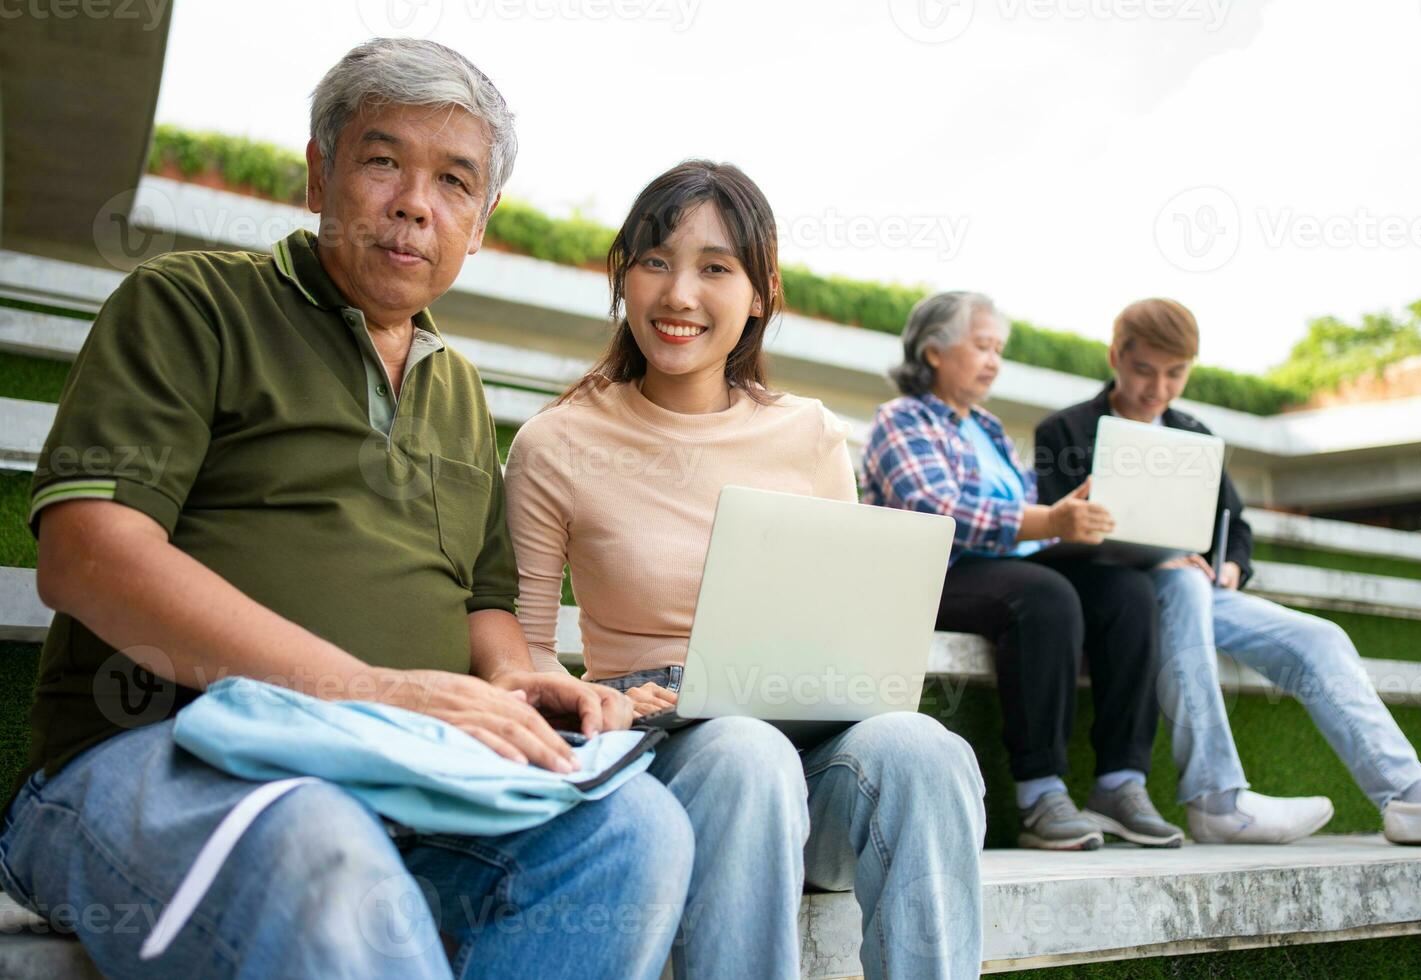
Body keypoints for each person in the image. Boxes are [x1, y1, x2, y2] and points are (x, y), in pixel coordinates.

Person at [0, 39, 693, 979]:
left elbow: (485, 604)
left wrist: (511, 679)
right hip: (159, 755)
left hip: (401, 772)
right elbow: (87, 555)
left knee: (632, 829)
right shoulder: (193, 304)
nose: (416, 202)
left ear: (481, 223)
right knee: (314, 836)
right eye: (382, 161)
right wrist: (374, 690)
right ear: (320, 172)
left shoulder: (461, 393)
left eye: (455, 181)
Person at [504, 161, 986, 980]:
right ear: (623, 278)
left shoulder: (810, 434)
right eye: (654, 260)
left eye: (715, 268)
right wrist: (601, 698)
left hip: (812, 748)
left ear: (761, 293)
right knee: (742, 749)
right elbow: (524, 652)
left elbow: (843, 630)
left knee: (923, 750)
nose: (679, 293)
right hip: (665, 748)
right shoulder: (556, 443)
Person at [1034, 297, 1421, 846]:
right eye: (1145, 370)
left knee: (1319, 636)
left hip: (1201, 590)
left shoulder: (1192, 431)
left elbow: (1233, 525)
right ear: (1116, 357)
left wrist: (1234, 566)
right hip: (1123, 597)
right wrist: (1154, 554)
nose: (1158, 389)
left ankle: (1412, 796)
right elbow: (1055, 534)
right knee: (1183, 580)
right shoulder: (1064, 432)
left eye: (1176, 374)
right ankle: (1216, 799)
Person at [862, 291, 1185, 851]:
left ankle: (1119, 782)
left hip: (1009, 567)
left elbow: (1037, 516)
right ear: (934, 352)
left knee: (1129, 591)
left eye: (998, 350)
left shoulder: (987, 428)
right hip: (936, 573)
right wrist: (1046, 520)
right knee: (1044, 593)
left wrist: (1089, 519)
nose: (993, 360)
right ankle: (1040, 795)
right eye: (982, 346)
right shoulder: (902, 419)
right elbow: (936, 513)